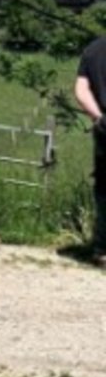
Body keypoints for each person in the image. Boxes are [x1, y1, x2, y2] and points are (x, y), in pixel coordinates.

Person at [76, 33, 106, 254]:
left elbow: (81, 90)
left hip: (104, 128)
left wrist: (98, 117)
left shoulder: (93, 49)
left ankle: (102, 247)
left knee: (104, 186)